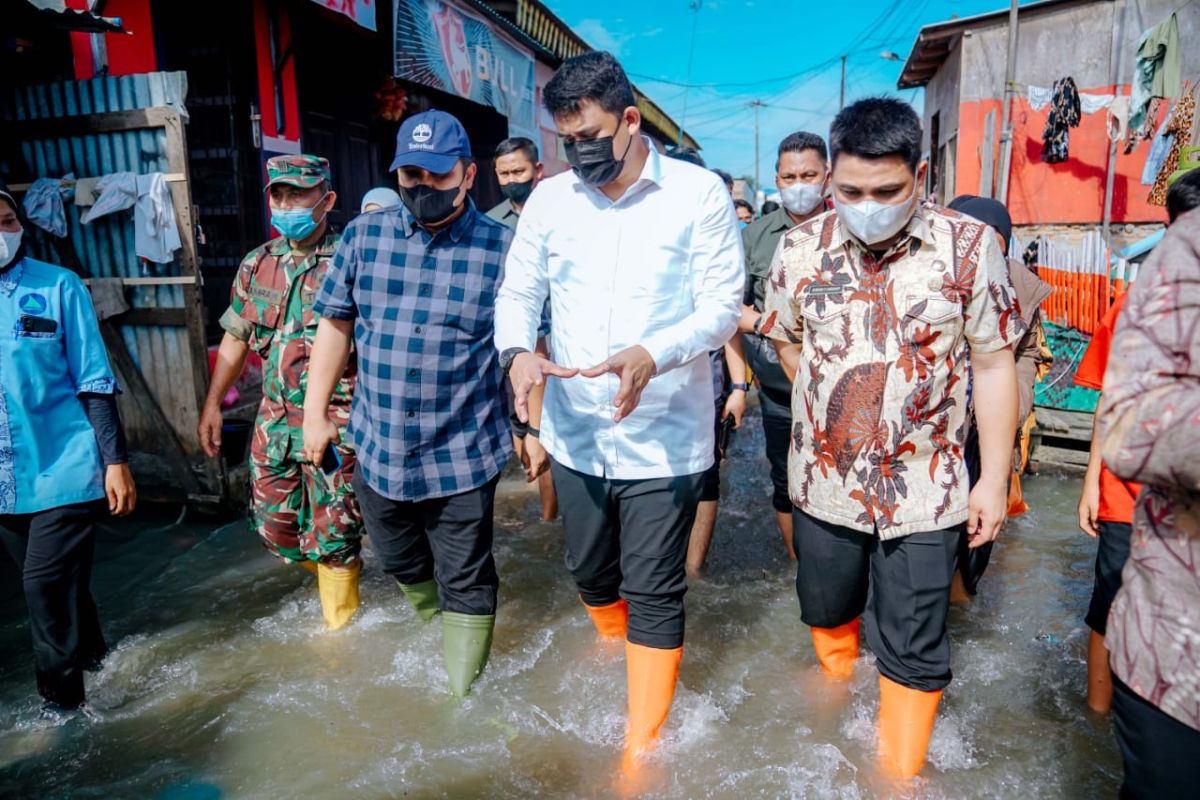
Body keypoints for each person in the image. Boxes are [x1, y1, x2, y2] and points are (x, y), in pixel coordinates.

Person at [494, 52, 742, 776]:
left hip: (665, 435)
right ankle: (609, 637)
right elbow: (518, 292)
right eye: (567, 142)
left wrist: (653, 353)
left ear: (631, 121)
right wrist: (517, 353)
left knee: (655, 589)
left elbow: (722, 307)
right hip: (575, 431)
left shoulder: (697, 195)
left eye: (593, 137)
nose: (580, 155)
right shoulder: (550, 200)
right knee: (590, 573)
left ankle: (641, 753)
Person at [762, 98, 1023, 778]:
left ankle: (896, 780)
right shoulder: (798, 250)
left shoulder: (971, 248)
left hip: (927, 489)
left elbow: (995, 363)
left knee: (915, 645)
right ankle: (836, 691)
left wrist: (993, 477)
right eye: (850, 191)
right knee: (825, 610)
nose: (867, 205)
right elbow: (788, 342)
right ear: (830, 183)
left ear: (921, 176)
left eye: (887, 191)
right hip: (823, 485)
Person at [303, 110, 512, 698]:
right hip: (379, 440)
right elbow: (335, 328)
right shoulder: (362, 237)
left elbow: (526, 344)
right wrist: (315, 415)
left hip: (465, 446)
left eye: (436, 175)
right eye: (410, 175)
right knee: (396, 557)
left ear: (469, 175)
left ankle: (461, 699)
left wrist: (535, 426)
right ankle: (442, 628)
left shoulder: (503, 249)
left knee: (466, 573)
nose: (422, 187)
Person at [198, 155, 363, 631]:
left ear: (327, 200)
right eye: (279, 194)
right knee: (277, 531)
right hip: (273, 426)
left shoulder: (350, 259)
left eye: (299, 194)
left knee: (335, 534)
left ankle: (341, 632)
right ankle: (344, 576)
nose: (286, 203)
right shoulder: (257, 264)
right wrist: (213, 404)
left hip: (336, 422)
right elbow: (235, 337)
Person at [0, 180, 136, 721]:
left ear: (22, 228)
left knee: (42, 591)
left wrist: (116, 461)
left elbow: (94, 380)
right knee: (66, 587)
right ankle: (100, 663)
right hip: (6, 482)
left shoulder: (59, 288)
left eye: (7, 222)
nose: (0, 233)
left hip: (66, 467)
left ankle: (63, 713)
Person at [1075, 167, 1200, 716]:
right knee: (1111, 601)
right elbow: (1108, 400)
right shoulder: (1135, 304)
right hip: (1129, 492)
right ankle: (1098, 714)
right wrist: (1089, 483)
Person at [1096, 202, 1200, 799]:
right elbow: (1121, 417)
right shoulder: (1184, 262)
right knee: (1105, 596)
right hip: (1176, 647)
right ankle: (1094, 707)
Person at [946, 195, 1053, 600]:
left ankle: (958, 611)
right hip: (935, 429)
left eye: (994, 243)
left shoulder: (1019, 286)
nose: (982, 253)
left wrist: (1017, 400)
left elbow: (1027, 354)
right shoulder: (927, 280)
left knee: (974, 543)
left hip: (988, 431)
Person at [739, 131, 830, 561]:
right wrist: (774, 326)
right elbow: (731, 309)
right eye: (790, 176)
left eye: (809, 174)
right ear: (777, 178)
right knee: (785, 477)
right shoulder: (755, 236)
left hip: (839, 387)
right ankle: (801, 567)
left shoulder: (851, 228)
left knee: (837, 476)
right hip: (778, 389)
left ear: (826, 176)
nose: (799, 185)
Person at [485, 137, 558, 522]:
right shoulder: (491, 223)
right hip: (517, 345)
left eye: (519, 171)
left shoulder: (559, 213)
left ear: (538, 171)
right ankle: (547, 510)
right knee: (524, 428)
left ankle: (551, 515)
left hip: (561, 342)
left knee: (548, 430)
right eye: (505, 173)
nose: (512, 179)